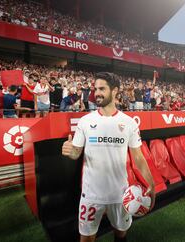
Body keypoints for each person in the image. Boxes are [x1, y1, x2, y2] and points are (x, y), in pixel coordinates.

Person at [62, 72, 155, 242]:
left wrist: (152, 183)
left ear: (115, 91)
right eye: (95, 89)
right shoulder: (85, 121)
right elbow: (76, 154)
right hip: (91, 195)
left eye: (102, 88)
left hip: (120, 195)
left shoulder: (129, 123)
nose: (97, 93)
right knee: (86, 238)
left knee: (121, 233)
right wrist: (70, 151)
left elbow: (139, 157)